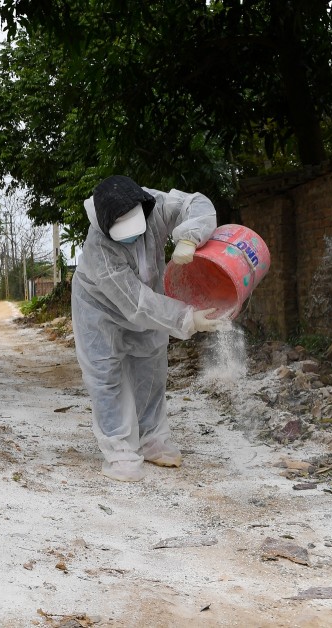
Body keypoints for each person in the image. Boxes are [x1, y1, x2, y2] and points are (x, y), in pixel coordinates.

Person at [71, 175, 227, 482]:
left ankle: (152, 438)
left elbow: (198, 204)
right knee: (105, 374)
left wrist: (189, 236)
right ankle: (118, 450)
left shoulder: (155, 205)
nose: (132, 238)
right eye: (123, 235)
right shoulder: (99, 247)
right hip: (99, 307)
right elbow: (136, 303)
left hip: (147, 296)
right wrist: (186, 318)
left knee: (151, 365)